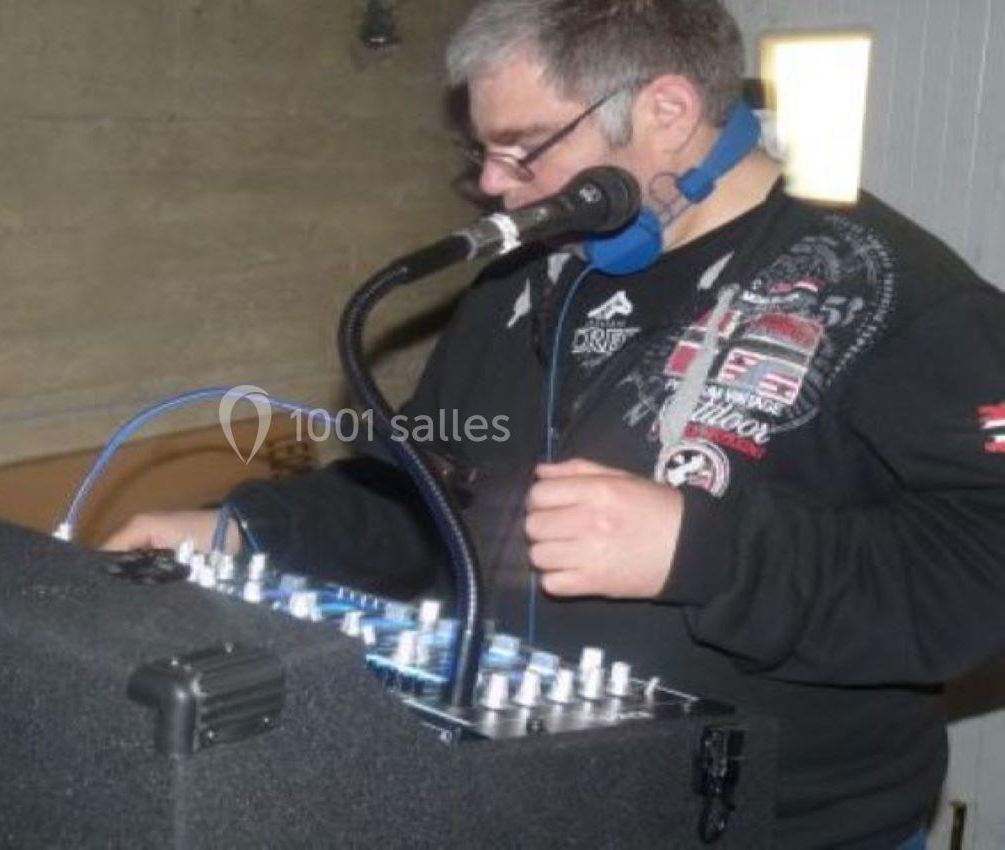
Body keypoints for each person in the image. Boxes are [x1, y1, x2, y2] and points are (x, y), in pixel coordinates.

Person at [104, 1, 1005, 847]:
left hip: (782, 825)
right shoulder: (525, 279)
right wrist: (249, 531)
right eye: (482, 150)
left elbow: (983, 565)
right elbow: (424, 495)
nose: (493, 185)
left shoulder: (902, 294)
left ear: (667, 111)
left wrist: (701, 551)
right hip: (533, 801)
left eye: (523, 147)